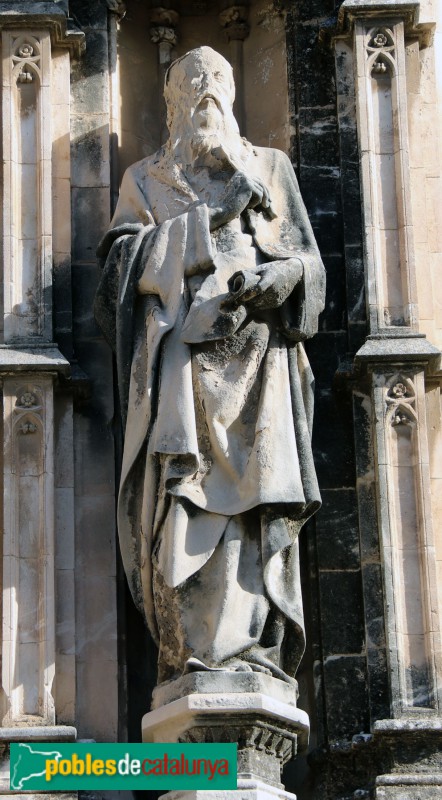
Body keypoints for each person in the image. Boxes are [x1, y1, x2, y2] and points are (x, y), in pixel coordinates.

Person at [95, 46, 325, 687]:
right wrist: (217, 215)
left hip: (261, 362)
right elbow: (119, 272)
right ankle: (191, 652)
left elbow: (309, 264)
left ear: (232, 99)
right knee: (185, 498)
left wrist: (282, 278)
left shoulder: (270, 167)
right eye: (191, 90)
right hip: (184, 370)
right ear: (170, 105)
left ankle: (253, 651)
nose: (205, 100)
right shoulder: (146, 179)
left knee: (256, 503)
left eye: (216, 90)